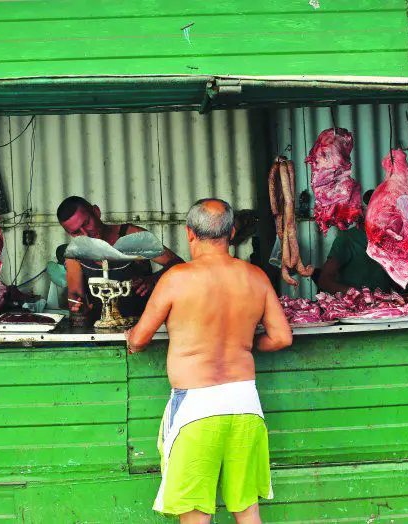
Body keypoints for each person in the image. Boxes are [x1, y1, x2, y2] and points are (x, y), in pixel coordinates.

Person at [125, 199, 292, 524]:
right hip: (245, 405)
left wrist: (131, 337)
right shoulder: (256, 277)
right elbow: (282, 337)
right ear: (231, 232)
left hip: (195, 410)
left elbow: (139, 339)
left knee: (196, 516)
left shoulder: (176, 279)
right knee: (247, 512)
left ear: (189, 233)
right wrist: (245, 343)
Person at [56, 196, 183, 323]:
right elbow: (75, 295)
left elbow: (178, 265)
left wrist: (154, 279)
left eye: (86, 223)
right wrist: (79, 309)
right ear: (69, 233)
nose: (85, 234)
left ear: (96, 212)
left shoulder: (132, 236)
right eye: (76, 232)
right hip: (101, 331)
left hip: (143, 326)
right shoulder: (74, 253)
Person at [313, 189, 399, 293]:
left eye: (381, 210)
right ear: (362, 211)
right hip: (355, 305)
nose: (377, 215)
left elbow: (393, 281)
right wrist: (354, 294)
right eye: (372, 209)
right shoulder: (348, 238)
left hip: (383, 304)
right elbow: (324, 281)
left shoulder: (389, 240)